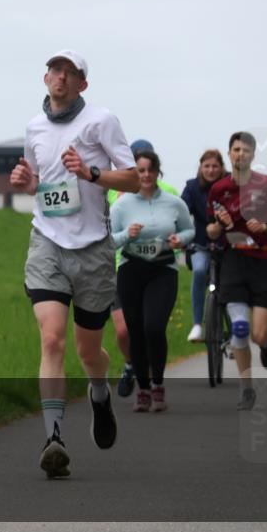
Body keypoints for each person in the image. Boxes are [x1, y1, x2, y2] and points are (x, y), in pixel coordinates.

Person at [10, 49, 139, 479]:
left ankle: (99, 394)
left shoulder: (101, 121)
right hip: (46, 242)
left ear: (83, 84)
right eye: (55, 70)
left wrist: (91, 174)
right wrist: (30, 184)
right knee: (51, 340)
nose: (61, 77)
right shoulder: (34, 127)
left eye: (71, 73)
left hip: (93, 251)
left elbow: (134, 178)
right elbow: (41, 185)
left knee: (88, 351)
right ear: (44, 77)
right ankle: (54, 438)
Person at [206, 132, 267, 410]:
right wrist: (220, 226)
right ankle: (247, 388)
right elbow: (210, 231)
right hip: (233, 261)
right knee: (240, 327)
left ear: (253, 155)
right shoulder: (218, 189)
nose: (240, 154)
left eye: (245, 150)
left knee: (257, 334)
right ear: (230, 153)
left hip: (263, 261)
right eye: (235, 150)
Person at [111, 151, 195, 412]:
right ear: (133, 173)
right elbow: (109, 240)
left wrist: (181, 240)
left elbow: (189, 229)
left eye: (150, 170)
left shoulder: (174, 203)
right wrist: (127, 234)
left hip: (163, 270)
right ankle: (143, 390)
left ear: (158, 172)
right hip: (131, 269)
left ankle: (158, 385)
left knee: (154, 327)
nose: (145, 175)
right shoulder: (121, 205)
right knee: (135, 329)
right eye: (140, 170)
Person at [180, 149, 228, 342]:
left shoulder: (230, 184)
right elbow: (182, 211)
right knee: (199, 271)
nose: (210, 170)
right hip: (200, 243)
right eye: (206, 166)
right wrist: (180, 235)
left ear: (222, 167)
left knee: (229, 284)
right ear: (200, 168)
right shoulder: (192, 187)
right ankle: (198, 325)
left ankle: (232, 330)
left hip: (227, 245)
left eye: (215, 166)